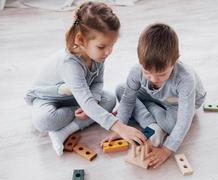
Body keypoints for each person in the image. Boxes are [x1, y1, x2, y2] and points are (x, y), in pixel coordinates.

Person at [24, 1, 146, 156]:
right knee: (44, 121)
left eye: (112, 45)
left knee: (108, 100)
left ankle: (65, 130)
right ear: (81, 40)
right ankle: (70, 120)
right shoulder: (69, 64)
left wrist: (93, 100)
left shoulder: (98, 56)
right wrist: (119, 127)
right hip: (49, 97)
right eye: (102, 47)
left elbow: (97, 82)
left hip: (77, 96)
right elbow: (87, 100)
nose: (108, 52)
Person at [103, 23, 206, 168]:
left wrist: (166, 150)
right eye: (147, 72)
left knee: (171, 125)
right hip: (157, 96)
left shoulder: (185, 79)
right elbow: (127, 99)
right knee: (121, 89)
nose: (153, 79)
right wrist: (120, 127)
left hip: (178, 102)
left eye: (161, 74)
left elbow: (184, 120)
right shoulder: (137, 71)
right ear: (140, 60)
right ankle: (152, 124)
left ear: (175, 60)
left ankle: (150, 108)